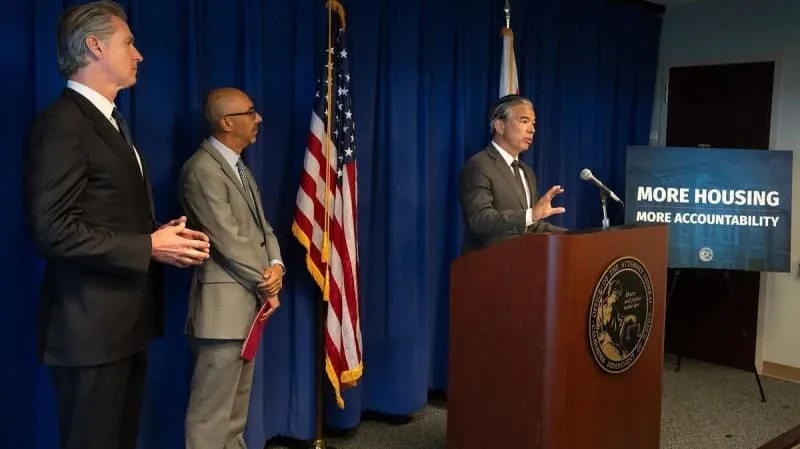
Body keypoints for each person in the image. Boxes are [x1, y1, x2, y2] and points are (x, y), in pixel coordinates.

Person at [21, 2, 211, 449]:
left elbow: (103, 213)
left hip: (123, 328)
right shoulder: (63, 124)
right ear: (95, 46)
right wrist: (148, 246)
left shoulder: (111, 122)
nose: (138, 54)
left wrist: (161, 235)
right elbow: (51, 229)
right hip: (88, 333)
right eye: (129, 43)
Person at [179, 87, 284, 449]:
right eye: (251, 112)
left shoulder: (239, 168)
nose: (259, 119)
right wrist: (266, 283)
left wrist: (276, 266)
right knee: (211, 417)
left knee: (235, 416)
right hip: (221, 315)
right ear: (226, 122)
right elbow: (227, 240)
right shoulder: (201, 170)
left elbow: (262, 229)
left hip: (248, 308)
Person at [459, 94, 567, 254]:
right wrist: (530, 215)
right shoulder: (479, 165)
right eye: (524, 121)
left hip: (521, 263)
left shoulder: (527, 171)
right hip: (487, 264)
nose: (532, 129)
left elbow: (531, 225)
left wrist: (573, 237)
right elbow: (480, 220)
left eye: (533, 123)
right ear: (500, 126)